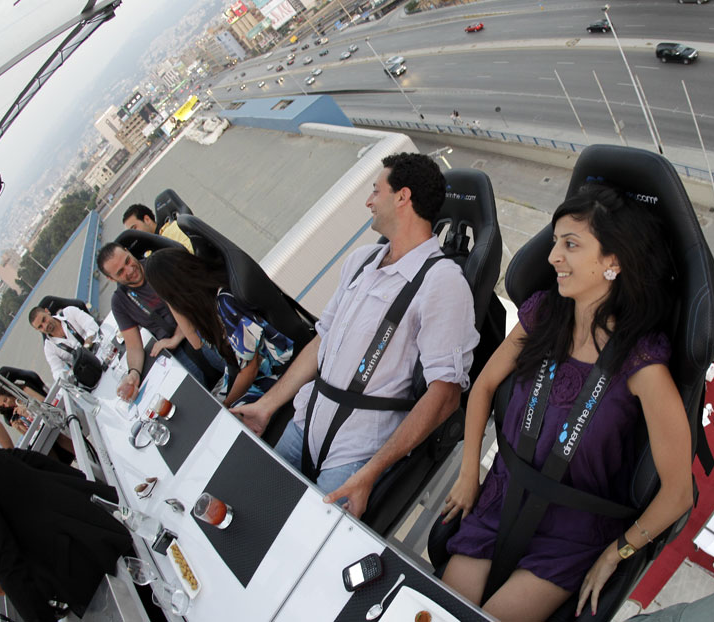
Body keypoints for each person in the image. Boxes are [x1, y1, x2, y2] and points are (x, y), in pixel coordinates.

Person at [440, 186, 694, 621]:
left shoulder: (641, 362)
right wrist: (468, 475)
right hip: (502, 496)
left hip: (573, 529)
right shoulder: (542, 316)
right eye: (555, 241)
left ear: (613, 261)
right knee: (440, 610)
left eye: (571, 244)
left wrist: (618, 552)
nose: (553, 256)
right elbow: (483, 387)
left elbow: (678, 493)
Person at [233, 152, 479, 518]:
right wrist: (266, 406)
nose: (368, 201)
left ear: (402, 197)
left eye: (376, 190)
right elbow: (322, 340)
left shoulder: (442, 282)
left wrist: (371, 473)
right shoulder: (360, 261)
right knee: (251, 509)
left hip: (356, 456)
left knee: (301, 541)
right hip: (303, 428)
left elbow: (445, 395)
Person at [144, 248, 294, 408]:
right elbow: (196, 342)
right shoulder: (205, 302)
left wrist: (226, 406)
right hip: (245, 372)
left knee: (217, 413)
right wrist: (171, 299)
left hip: (275, 372)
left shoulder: (224, 303)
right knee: (205, 406)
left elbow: (251, 370)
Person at [0, 447, 132, 621]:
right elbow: (24, 458)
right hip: (89, 519)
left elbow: (7, 564)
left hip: (82, 560)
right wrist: (77, 487)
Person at [96, 242, 223, 401]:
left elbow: (195, 301)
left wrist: (175, 338)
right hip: (175, 352)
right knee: (192, 400)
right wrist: (134, 373)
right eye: (120, 272)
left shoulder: (159, 266)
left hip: (197, 325)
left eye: (128, 261)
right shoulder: (120, 301)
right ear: (111, 278)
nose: (129, 270)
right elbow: (134, 346)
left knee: (231, 369)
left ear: (128, 251)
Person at [28, 305, 99, 382]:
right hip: (88, 371)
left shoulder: (69, 312)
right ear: (38, 330)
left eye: (44, 320)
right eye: (40, 327)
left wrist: (86, 348)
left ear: (47, 311)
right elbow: (56, 371)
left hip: (99, 349)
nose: (45, 326)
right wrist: (67, 375)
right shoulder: (48, 348)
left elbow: (92, 326)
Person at [121, 202, 193, 253]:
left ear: (147, 220)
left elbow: (192, 254)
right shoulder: (148, 253)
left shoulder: (173, 229)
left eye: (134, 228)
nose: (134, 235)